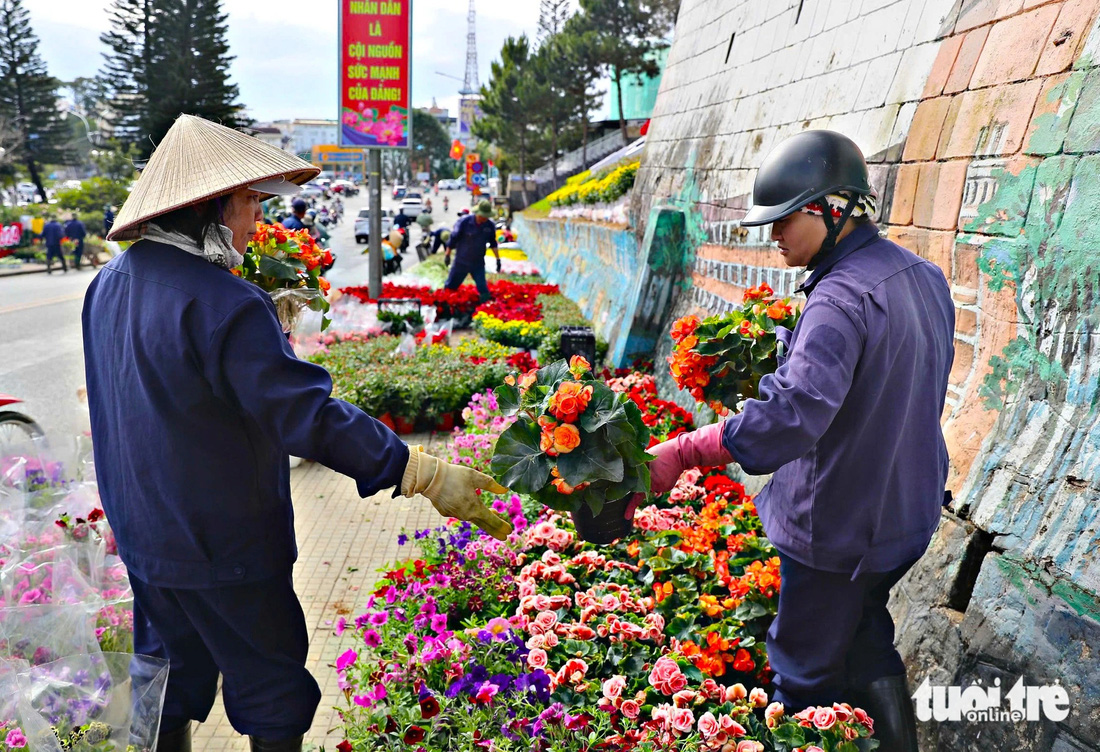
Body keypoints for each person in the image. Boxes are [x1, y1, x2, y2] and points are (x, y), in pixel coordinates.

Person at [84, 114, 512, 752]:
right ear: (210, 206)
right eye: (251, 201)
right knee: (272, 694)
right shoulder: (223, 303)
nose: (255, 220)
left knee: (166, 679)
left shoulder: (107, 286)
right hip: (226, 546)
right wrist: (416, 470)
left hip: (146, 535)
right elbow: (306, 415)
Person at [636, 131, 953, 752]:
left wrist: (683, 450)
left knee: (802, 677)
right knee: (865, 637)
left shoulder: (837, 300)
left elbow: (792, 414)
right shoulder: (923, 277)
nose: (772, 236)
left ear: (833, 209)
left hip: (839, 526)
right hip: (904, 517)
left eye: (783, 220)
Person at [443, 199, 500, 302]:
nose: (485, 218)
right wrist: (447, 255)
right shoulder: (464, 222)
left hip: (477, 262)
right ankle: (446, 308)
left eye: (487, 216)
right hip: (461, 261)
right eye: (483, 216)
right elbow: (453, 238)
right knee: (450, 286)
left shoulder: (489, 226)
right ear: (478, 213)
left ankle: (483, 310)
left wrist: (498, 259)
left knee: (483, 288)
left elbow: (493, 243)